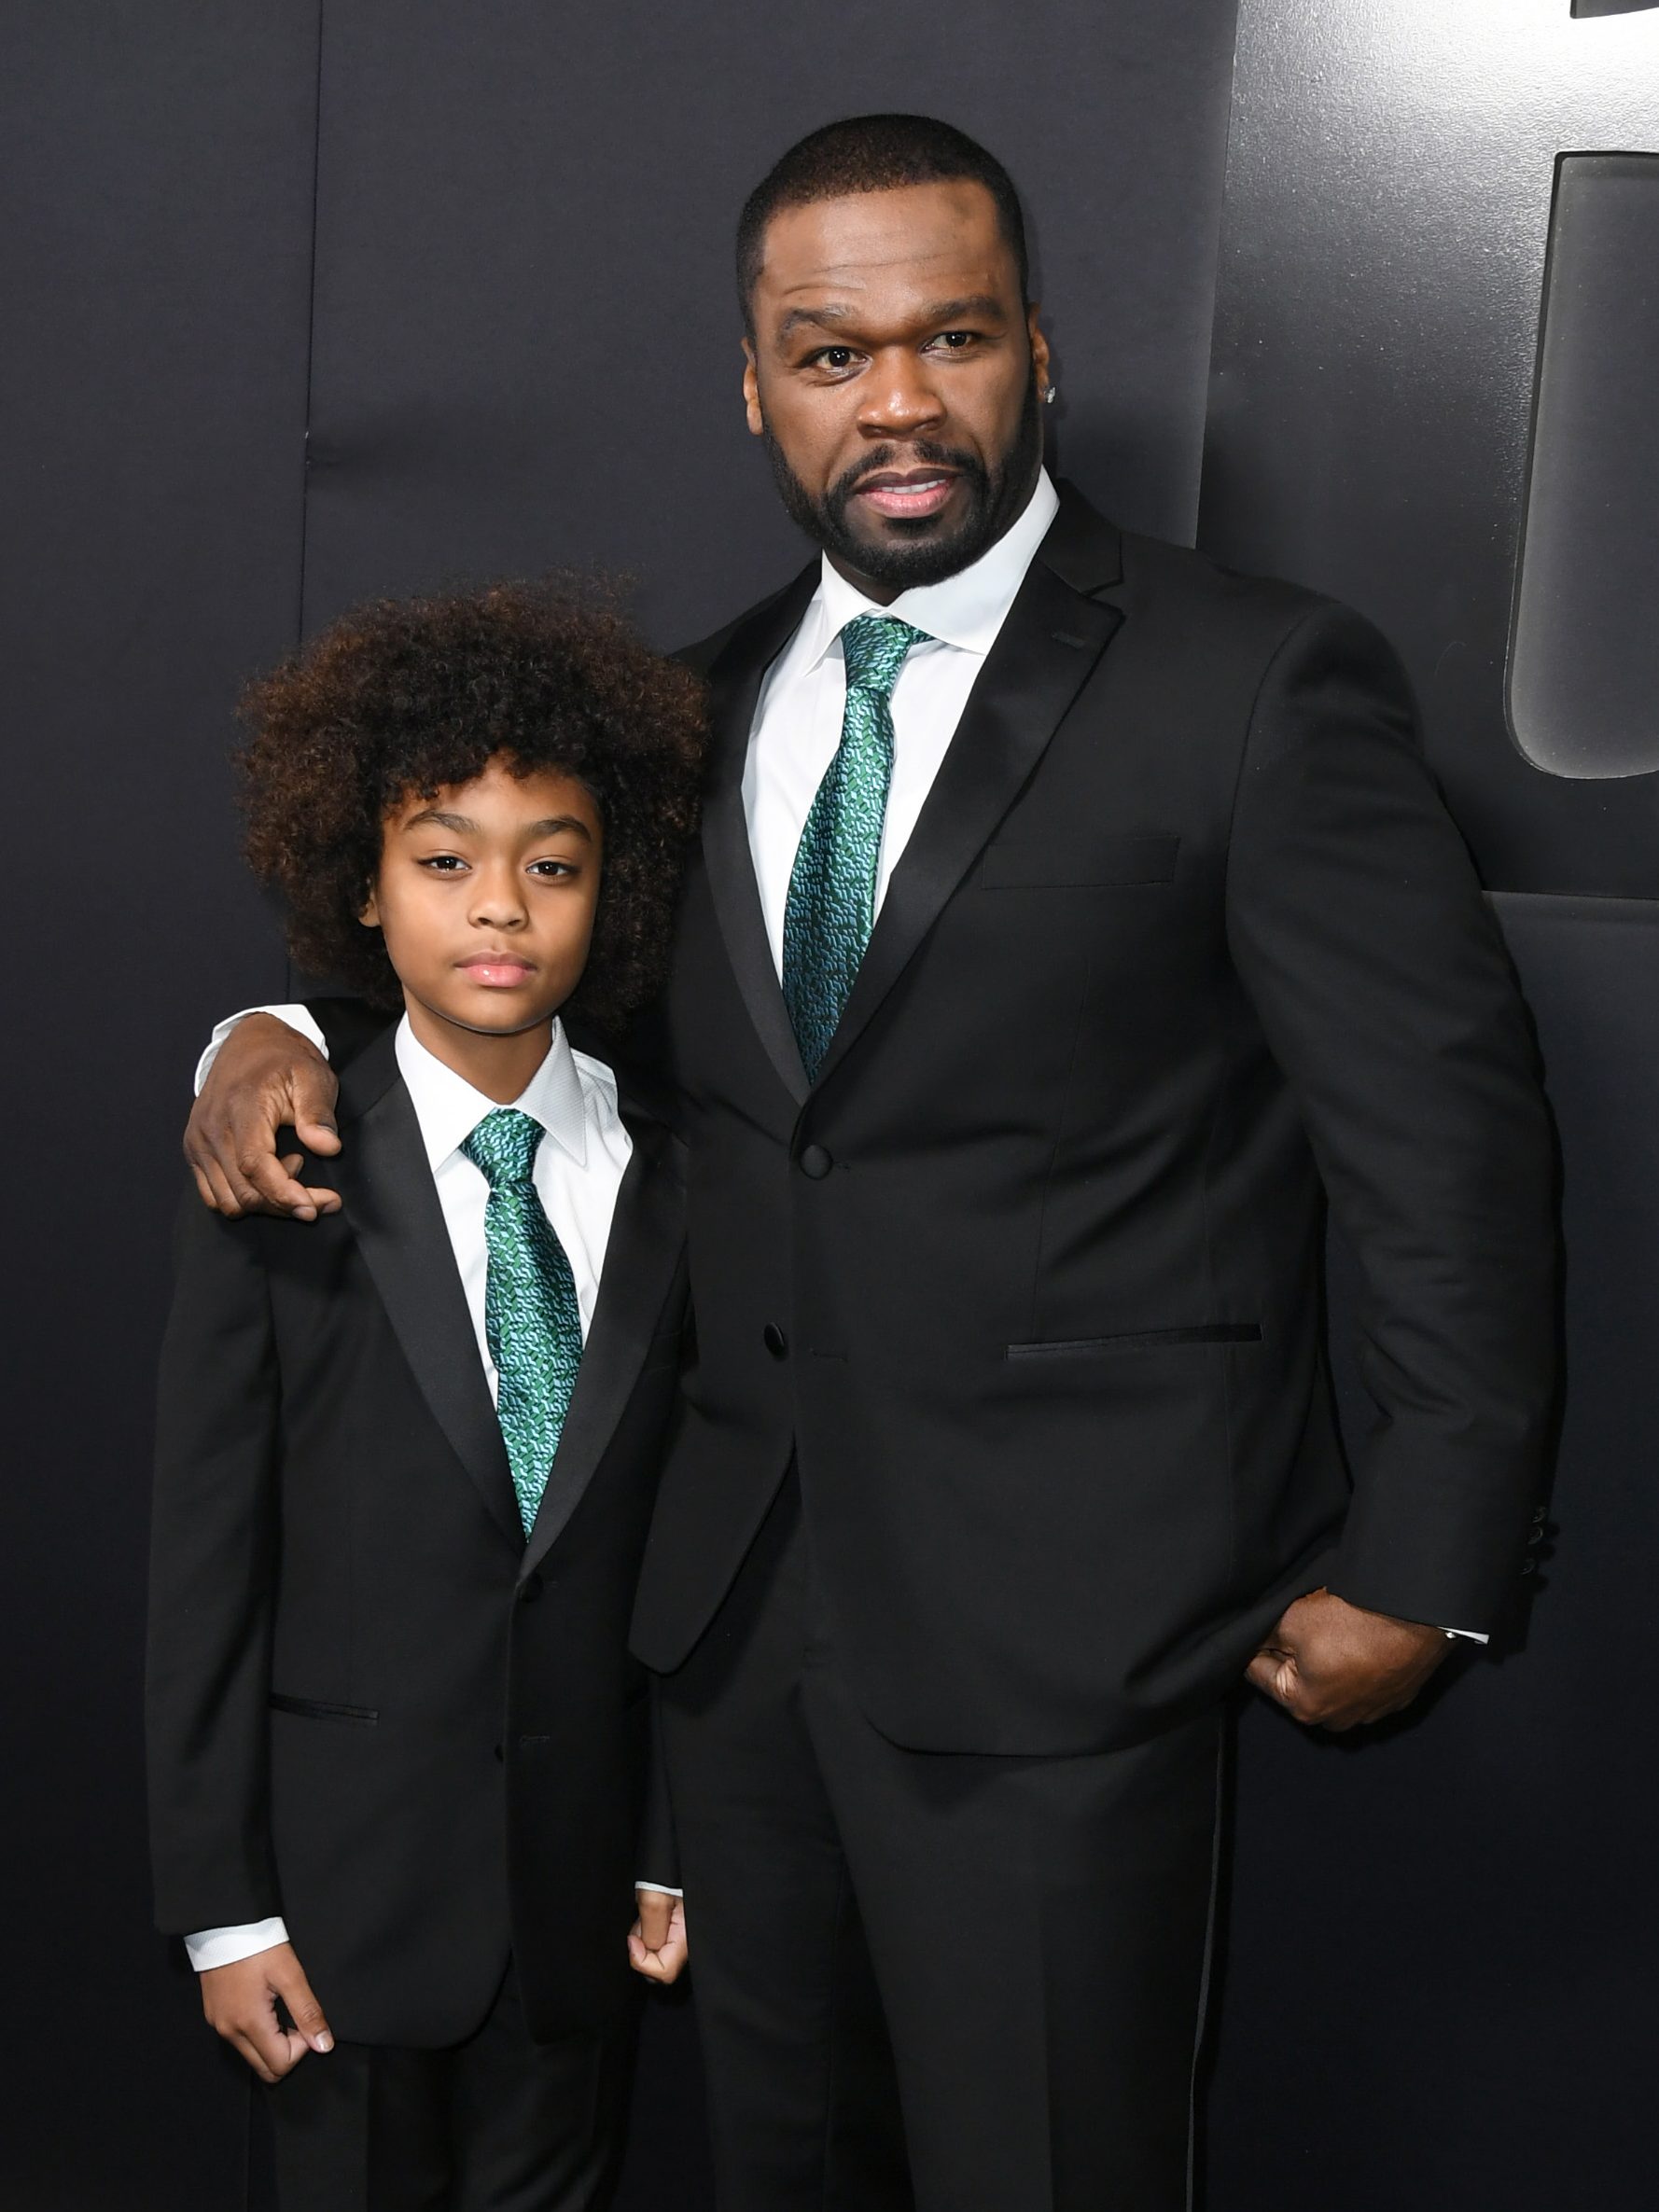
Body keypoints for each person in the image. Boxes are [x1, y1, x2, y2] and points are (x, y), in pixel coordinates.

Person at [183, 117, 1559, 2212]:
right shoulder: (689, 712)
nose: (896, 400)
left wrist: (1429, 1559)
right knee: (783, 2167)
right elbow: (526, 984)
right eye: (830, 354)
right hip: (732, 1637)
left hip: (1072, 1634)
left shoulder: (1256, 681)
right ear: (754, 382)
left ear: (1038, 356)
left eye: (952, 339)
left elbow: (1443, 1145)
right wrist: (275, 1027)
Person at [148, 581, 704, 2212]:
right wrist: (222, 1908)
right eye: (444, 861)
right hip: (334, 1901)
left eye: (554, 863)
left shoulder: (680, 1172)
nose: (501, 910)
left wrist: (665, 1833)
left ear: (617, 890)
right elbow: (203, 1560)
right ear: (365, 889)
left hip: (579, 1892)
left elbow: (693, 1538)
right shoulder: (284, 1153)